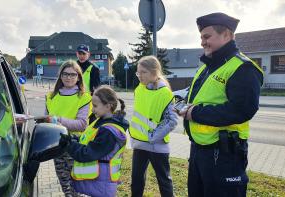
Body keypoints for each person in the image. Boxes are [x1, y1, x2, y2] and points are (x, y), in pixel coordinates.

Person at [176, 12, 264, 197]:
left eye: (207, 36)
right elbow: (201, 99)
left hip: (224, 153)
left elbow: (243, 110)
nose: (202, 42)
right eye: (201, 37)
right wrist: (185, 106)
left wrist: (195, 113)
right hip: (200, 150)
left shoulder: (243, 67)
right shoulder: (206, 67)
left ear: (226, 34)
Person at [59, 85, 129, 197]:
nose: (92, 109)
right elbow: (87, 141)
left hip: (101, 186)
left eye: (95, 106)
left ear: (108, 106)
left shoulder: (109, 131)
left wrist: (69, 145)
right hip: (95, 184)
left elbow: (88, 153)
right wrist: (73, 139)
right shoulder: (100, 122)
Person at [129, 55, 178, 197]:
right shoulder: (139, 89)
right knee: (136, 181)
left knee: (164, 182)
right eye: (138, 72)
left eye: (143, 72)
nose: (139, 76)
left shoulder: (165, 93)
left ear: (154, 72)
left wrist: (152, 137)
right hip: (139, 143)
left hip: (157, 145)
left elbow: (172, 120)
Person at [45, 60, 91, 196]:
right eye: (65, 74)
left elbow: (82, 124)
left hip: (74, 144)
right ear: (60, 76)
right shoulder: (51, 96)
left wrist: (57, 120)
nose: (68, 77)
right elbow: (47, 119)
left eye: (73, 74)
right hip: (56, 143)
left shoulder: (83, 97)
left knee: (76, 183)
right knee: (64, 182)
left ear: (78, 77)